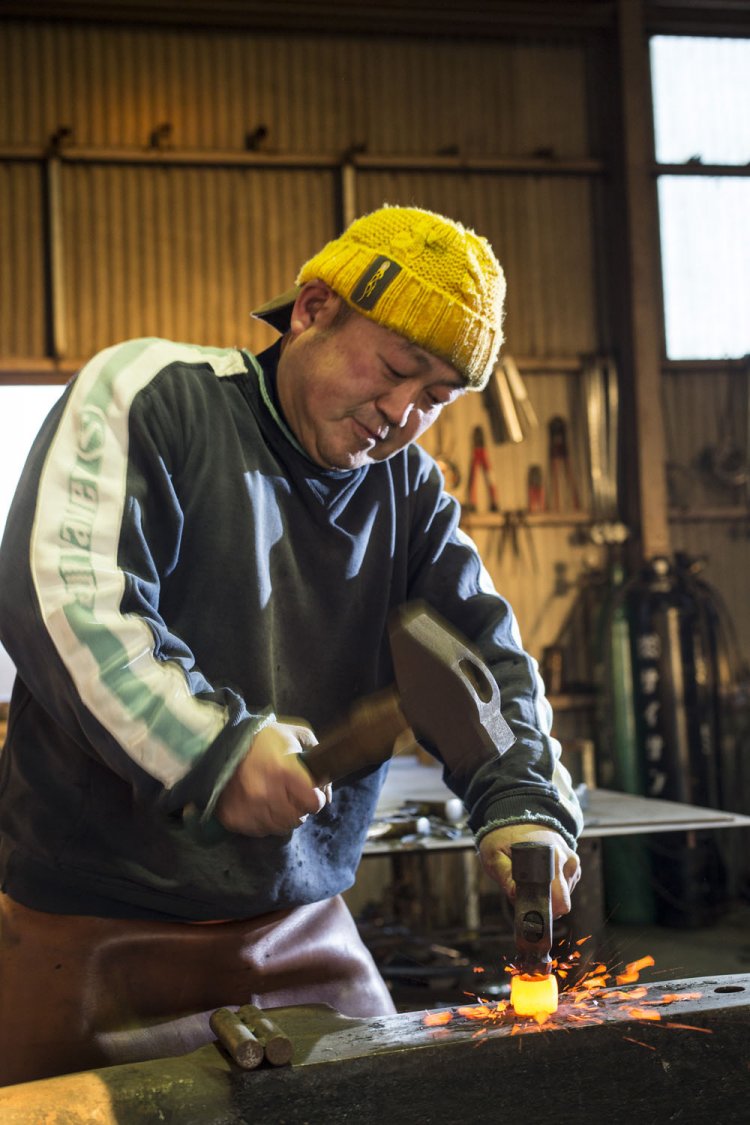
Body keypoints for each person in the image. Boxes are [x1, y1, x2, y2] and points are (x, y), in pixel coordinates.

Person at [0, 204, 582, 1086]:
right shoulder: (155, 395)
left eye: (434, 396)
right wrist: (214, 748)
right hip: (88, 927)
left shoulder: (410, 493)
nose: (401, 413)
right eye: (394, 368)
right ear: (312, 308)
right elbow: (70, 598)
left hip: (303, 923)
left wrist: (524, 801)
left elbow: (483, 660)